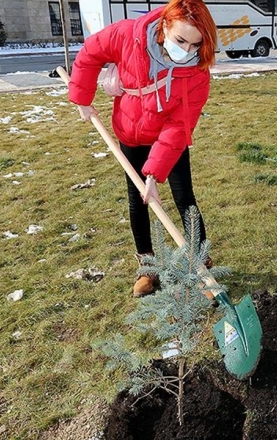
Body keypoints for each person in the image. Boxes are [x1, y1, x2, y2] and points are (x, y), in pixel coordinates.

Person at [67, 0, 217, 297]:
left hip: (168, 139)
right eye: (180, 40)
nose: (186, 51)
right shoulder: (127, 35)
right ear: (164, 26)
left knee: (184, 197)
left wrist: (153, 174)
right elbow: (90, 53)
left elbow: (178, 127)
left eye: (194, 44)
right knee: (137, 201)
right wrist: (82, 97)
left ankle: (201, 263)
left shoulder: (197, 73)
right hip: (130, 131)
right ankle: (147, 268)